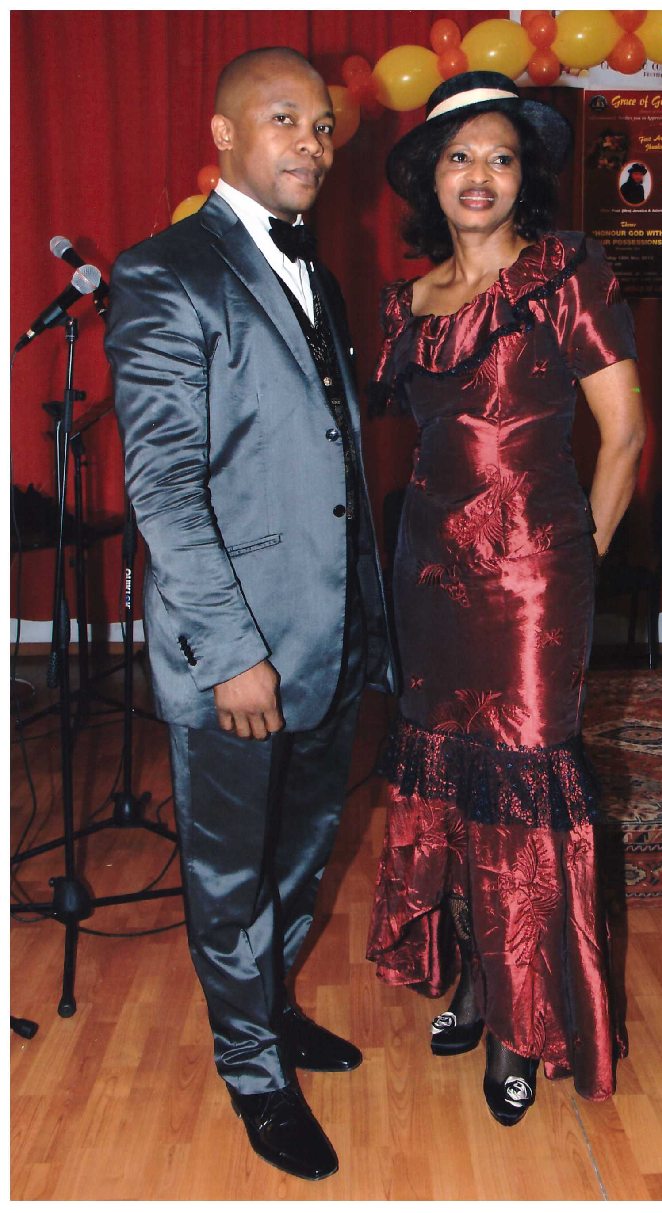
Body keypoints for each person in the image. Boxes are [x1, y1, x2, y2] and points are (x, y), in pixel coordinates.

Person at [104, 46, 395, 1182]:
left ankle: (269, 1011)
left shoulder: (317, 267)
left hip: (330, 632)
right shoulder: (162, 272)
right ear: (224, 134)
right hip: (236, 650)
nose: (312, 144)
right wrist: (231, 653)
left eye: (322, 126)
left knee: (304, 850)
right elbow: (166, 490)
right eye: (285, 120)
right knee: (231, 874)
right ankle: (251, 1073)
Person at [366, 72, 646, 1125]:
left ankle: (522, 1028)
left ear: (524, 176)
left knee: (523, 791)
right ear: (428, 178)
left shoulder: (563, 273)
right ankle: (482, 983)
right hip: (427, 578)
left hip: (533, 580)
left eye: (499, 156)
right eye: (458, 156)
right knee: (456, 785)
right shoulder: (408, 304)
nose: (478, 175)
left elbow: (624, 436)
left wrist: (572, 563)